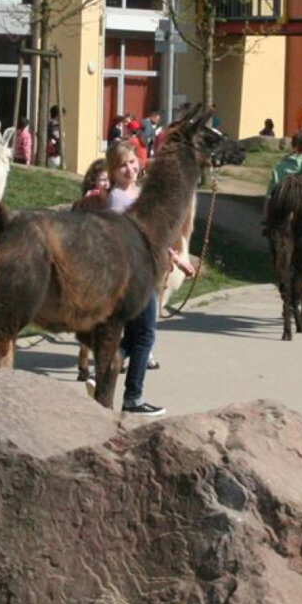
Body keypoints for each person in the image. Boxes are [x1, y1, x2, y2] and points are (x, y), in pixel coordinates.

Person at [103, 149, 193, 417]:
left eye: (131, 162)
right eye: (122, 166)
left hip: (144, 271)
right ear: (112, 171)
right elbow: (136, 238)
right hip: (136, 276)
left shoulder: (136, 194)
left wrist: (176, 259)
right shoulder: (118, 200)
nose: (129, 169)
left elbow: (152, 235)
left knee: (132, 337)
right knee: (145, 336)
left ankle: (102, 377)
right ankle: (133, 398)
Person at [45, 105, 64, 169]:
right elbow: (57, 136)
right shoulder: (55, 125)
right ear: (57, 115)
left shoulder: (49, 124)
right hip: (54, 152)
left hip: (52, 152)